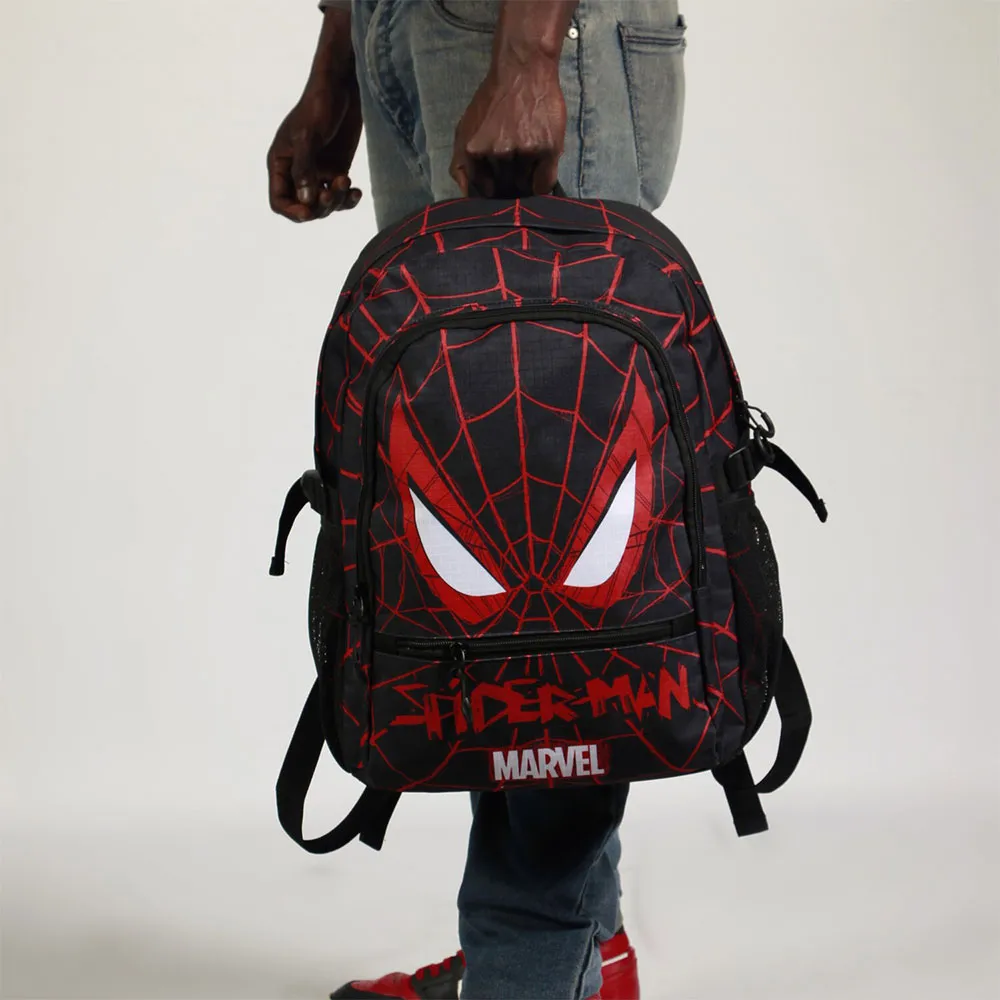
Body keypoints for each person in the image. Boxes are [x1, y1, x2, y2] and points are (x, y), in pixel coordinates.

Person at [267, 2, 687, 996]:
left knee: (556, 548)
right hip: (410, 25)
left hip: (523, 21)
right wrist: (342, 55)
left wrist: (531, 47)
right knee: (479, 515)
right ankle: (584, 955)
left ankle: (525, 974)